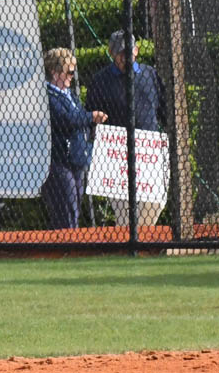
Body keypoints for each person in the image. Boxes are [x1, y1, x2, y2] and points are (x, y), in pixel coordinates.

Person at [85, 30, 169, 227]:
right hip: (117, 155)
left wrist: (165, 136)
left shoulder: (150, 75)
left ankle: (141, 237)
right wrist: (96, 126)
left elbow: (164, 108)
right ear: (112, 54)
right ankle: (129, 240)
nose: (125, 56)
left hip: (148, 153)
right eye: (120, 53)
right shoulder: (101, 80)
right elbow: (91, 114)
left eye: (128, 51)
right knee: (123, 209)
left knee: (155, 201)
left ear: (136, 50)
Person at [41, 49, 108, 229]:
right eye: (69, 72)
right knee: (67, 207)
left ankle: (69, 239)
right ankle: (66, 242)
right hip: (58, 160)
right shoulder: (47, 96)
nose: (72, 76)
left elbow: (78, 117)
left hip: (76, 157)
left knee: (75, 206)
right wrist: (91, 117)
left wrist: (91, 125)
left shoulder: (69, 94)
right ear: (55, 72)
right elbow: (66, 119)